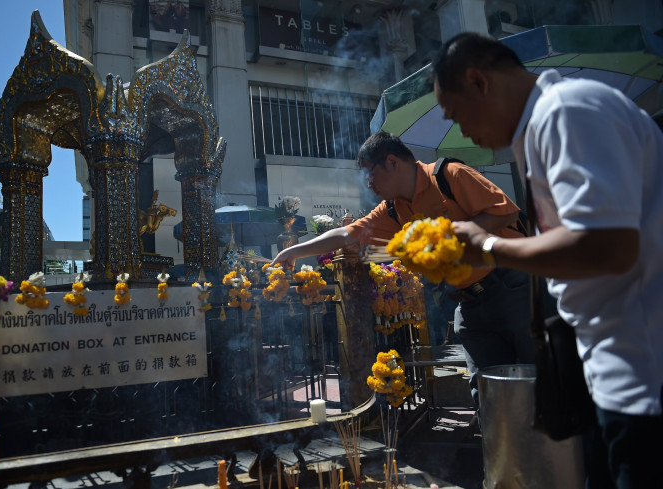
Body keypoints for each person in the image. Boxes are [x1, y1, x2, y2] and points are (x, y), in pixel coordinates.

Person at [432, 32, 663, 489]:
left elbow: (608, 247)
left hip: (643, 375)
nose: (460, 133)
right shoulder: (541, 128)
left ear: (478, 81)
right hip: (612, 370)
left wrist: (489, 248)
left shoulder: (567, 111)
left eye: (455, 114)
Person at [272, 131, 535, 414]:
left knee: (542, 384)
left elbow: (505, 212)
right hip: (469, 305)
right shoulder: (393, 210)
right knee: (490, 398)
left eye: (370, 175)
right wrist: (293, 251)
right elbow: (347, 233)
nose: (369, 184)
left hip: (516, 290)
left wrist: (447, 239)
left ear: (392, 162)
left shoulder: (449, 176)